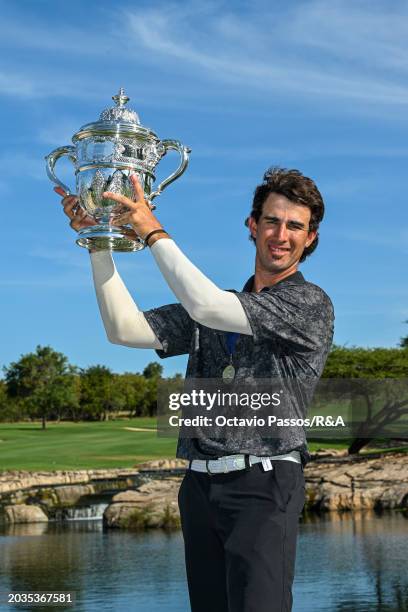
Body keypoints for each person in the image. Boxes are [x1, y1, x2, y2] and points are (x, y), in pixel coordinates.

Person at [56, 167, 334, 612]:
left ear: (310, 238)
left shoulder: (309, 304)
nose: (281, 234)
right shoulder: (215, 304)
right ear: (252, 226)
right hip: (199, 487)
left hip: (264, 484)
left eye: (295, 226)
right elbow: (124, 329)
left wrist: (152, 231)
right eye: (271, 221)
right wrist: (100, 243)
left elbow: (206, 304)